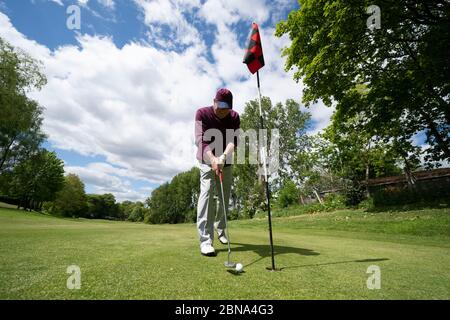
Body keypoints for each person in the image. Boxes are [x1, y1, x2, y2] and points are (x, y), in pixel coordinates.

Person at [194, 88, 240, 256]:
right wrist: (213, 159)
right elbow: (201, 140)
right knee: (206, 194)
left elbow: (234, 141)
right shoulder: (202, 113)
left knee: (224, 197)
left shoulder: (234, 117)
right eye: (219, 107)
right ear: (213, 102)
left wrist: (223, 157)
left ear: (230, 107)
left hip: (225, 162)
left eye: (225, 109)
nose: (221, 112)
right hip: (206, 161)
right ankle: (206, 241)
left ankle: (220, 230)